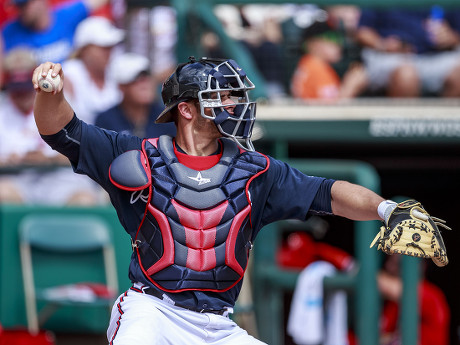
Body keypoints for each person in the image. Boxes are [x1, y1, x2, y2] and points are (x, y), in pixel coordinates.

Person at [32, 56, 408, 344]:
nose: (234, 104)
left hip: (220, 324)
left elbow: (328, 193)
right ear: (186, 109)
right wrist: (51, 92)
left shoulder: (257, 170)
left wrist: (385, 209)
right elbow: (62, 131)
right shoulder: (137, 154)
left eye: (234, 96)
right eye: (222, 96)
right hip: (153, 311)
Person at [0, 48, 103, 205]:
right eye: (17, 91)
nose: (22, 96)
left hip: (59, 179)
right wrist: (13, 160)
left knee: (84, 200)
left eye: (26, 89)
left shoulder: (62, 103)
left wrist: (48, 159)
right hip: (18, 180)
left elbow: (86, 150)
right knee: (3, 193)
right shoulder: (3, 109)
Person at [355, 6, 460, 97]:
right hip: (391, 57)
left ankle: (442, 119)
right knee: (406, 75)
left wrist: (452, 38)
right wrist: (383, 45)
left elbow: (456, 35)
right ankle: (404, 120)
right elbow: (362, 32)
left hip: (436, 57)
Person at [95, 52, 176, 138]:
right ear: (121, 86)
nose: (145, 85)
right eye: (136, 80)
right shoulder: (106, 121)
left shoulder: (167, 117)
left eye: (147, 78)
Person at [1, 0, 110, 64]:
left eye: (25, 5)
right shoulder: (9, 32)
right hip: (36, 96)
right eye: (18, 6)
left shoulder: (65, 16)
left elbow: (94, 3)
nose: (20, 11)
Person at [62, 16, 125, 124]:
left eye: (111, 47)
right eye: (103, 47)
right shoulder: (70, 73)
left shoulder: (117, 68)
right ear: (84, 50)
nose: (109, 53)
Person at [290, 19, 367, 100]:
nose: (338, 44)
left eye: (338, 39)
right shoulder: (315, 66)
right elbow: (331, 109)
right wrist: (350, 87)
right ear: (312, 44)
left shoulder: (309, 64)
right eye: (331, 38)